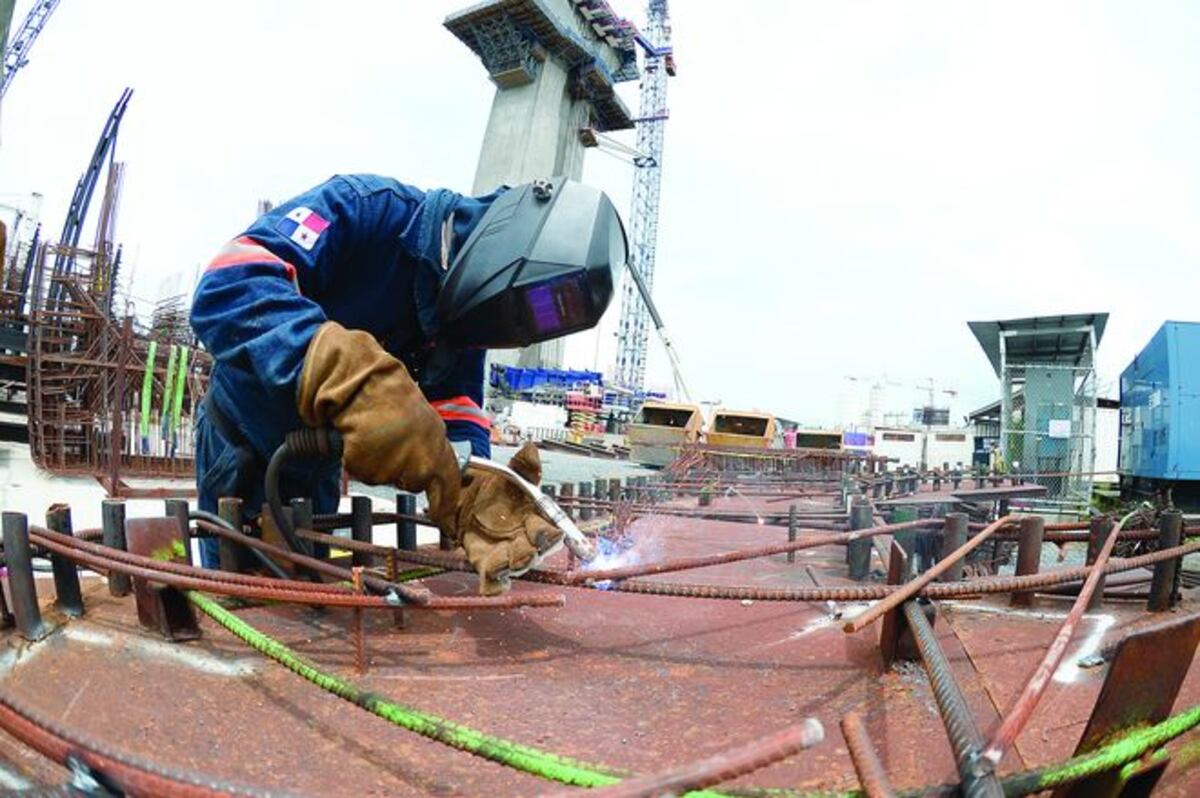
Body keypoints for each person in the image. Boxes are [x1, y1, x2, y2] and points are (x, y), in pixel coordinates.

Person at [190, 175, 627, 593]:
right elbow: (230, 282)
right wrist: (346, 376)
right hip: (242, 449)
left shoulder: (462, 320)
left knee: (303, 604)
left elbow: (457, 414)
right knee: (241, 601)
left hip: (315, 469)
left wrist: (471, 487)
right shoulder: (364, 208)